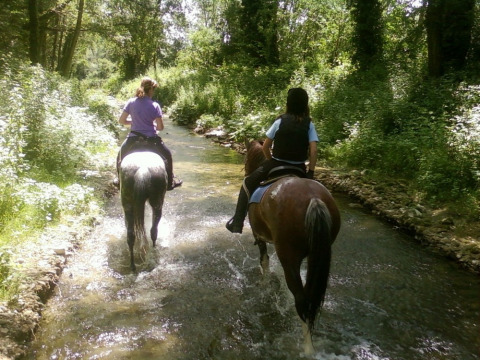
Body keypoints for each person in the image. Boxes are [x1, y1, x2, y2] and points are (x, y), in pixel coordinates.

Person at [226, 88, 318, 234]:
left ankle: (237, 223)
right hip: (299, 169)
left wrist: (271, 160)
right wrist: (311, 172)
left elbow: (266, 147)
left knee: (247, 184)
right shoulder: (309, 124)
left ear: (288, 103)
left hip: (276, 164)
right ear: (305, 104)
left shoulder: (280, 121)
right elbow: (313, 151)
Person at [114, 77, 182, 190]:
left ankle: (119, 181)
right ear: (151, 90)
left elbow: (122, 121)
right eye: (153, 90)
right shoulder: (155, 105)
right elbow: (160, 127)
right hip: (151, 140)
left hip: (133, 139)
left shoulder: (131, 102)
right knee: (168, 156)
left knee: (119, 156)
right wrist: (152, 125)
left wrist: (134, 121)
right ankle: (170, 182)